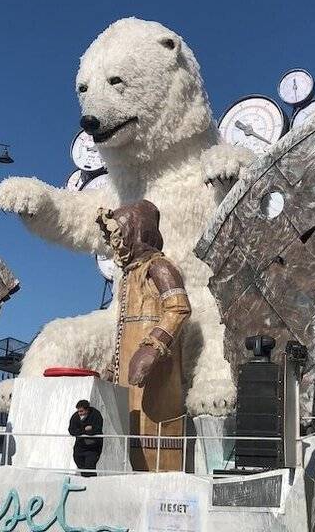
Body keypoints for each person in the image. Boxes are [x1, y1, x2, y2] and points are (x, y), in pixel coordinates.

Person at [96, 201, 192, 472]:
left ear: (136, 232)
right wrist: (113, 367)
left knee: (153, 431)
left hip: (156, 374)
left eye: (119, 236)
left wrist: (152, 348)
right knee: (130, 429)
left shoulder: (159, 267)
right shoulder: (130, 276)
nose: (115, 245)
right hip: (130, 379)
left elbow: (178, 308)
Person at [68, 400, 104, 477]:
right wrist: (85, 430)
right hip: (80, 446)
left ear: (87, 410)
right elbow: (71, 430)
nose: (79, 413)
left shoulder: (96, 415)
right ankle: (85, 480)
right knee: (78, 461)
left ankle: (91, 482)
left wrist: (88, 430)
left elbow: (97, 430)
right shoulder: (76, 416)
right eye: (78, 411)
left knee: (89, 466)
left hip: (93, 447)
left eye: (81, 411)